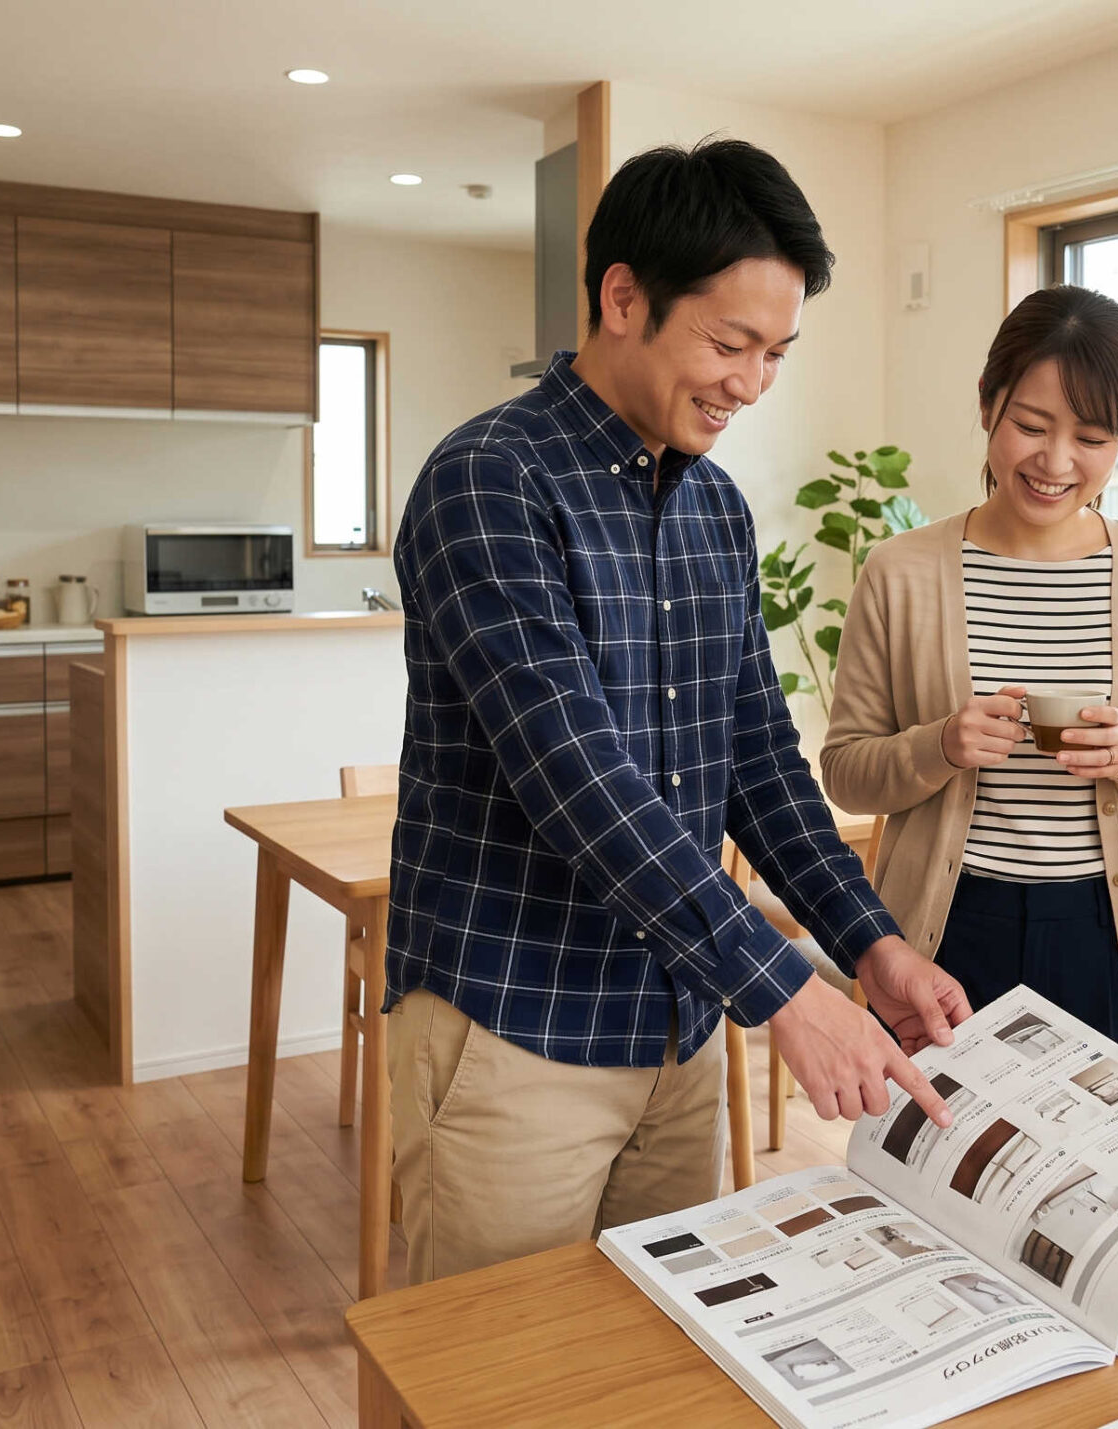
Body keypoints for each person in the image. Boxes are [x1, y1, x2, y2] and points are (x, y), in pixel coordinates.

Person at [386, 139, 969, 1284]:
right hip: (514, 1031)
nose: (750, 383)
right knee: (503, 1382)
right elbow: (577, 776)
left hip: (675, 1029)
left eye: (775, 353)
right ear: (622, 298)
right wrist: (786, 988)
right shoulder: (489, 481)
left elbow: (756, 755)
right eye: (728, 342)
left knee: (662, 1364)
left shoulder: (715, 507)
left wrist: (870, 941)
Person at [821, 285, 1118, 1077]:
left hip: (1114, 937)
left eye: (1092, 436)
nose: (1056, 462)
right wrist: (941, 743)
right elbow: (844, 770)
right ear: (987, 405)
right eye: (1031, 426)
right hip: (946, 934)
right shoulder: (899, 572)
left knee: (1117, 1190)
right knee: (941, 1184)